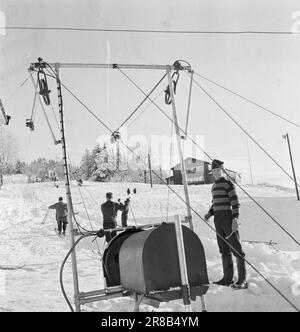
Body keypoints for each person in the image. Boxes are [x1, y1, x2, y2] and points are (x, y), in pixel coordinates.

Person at [205, 159, 247, 290]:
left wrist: (235, 219)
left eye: (218, 170)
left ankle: (242, 280)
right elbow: (215, 204)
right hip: (218, 220)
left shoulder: (228, 184)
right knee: (224, 250)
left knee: (236, 249)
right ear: (212, 172)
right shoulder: (214, 186)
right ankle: (227, 278)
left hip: (228, 218)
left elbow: (235, 202)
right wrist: (209, 213)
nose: (216, 172)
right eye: (214, 170)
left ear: (222, 171)